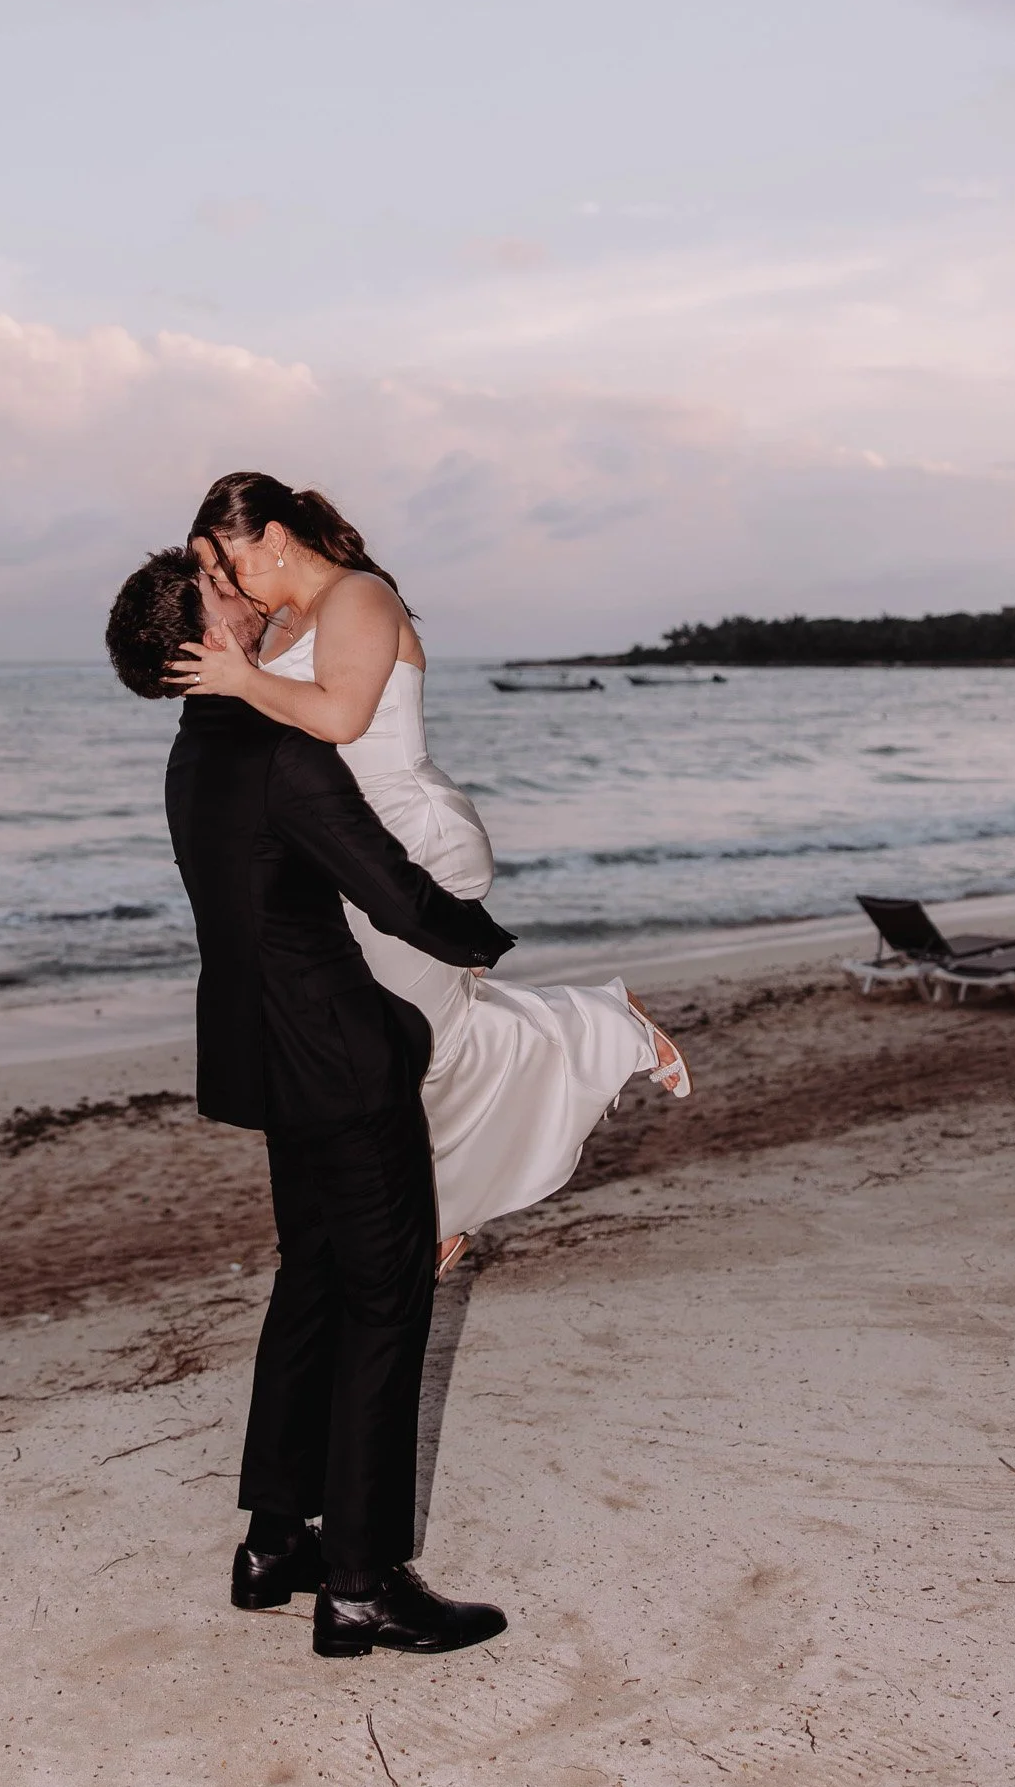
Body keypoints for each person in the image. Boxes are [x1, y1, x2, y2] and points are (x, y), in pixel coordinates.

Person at [106, 546, 513, 1660]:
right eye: (224, 597)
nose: (249, 599)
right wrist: (482, 943)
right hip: (336, 1058)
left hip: (269, 1061)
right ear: (205, 643)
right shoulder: (276, 746)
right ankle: (361, 1584)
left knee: (311, 1286)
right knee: (387, 1301)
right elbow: (381, 882)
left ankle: (274, 1542)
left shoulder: (197, 750)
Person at [168, 471, 691, 1276]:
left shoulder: (359, 598)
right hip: (342, 849)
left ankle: (598, 1029)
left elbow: (340, 717)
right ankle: (445, 1203)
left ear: (271, 538)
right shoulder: (277, 626)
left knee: (410, 1042)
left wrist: (240, 680)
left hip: (413, 839)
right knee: (387, 1041)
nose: (227, 583)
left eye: (225, 562)